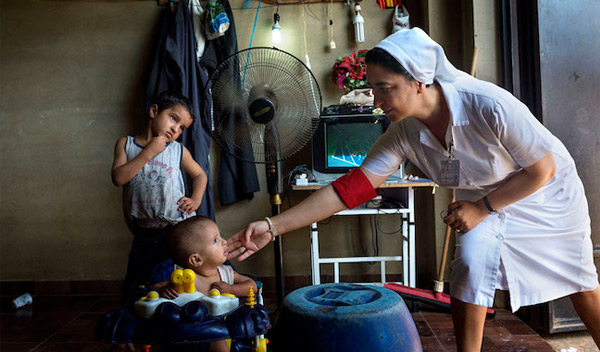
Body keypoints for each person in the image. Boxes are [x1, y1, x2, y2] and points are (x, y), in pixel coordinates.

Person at [226, 28, 600, 351]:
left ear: (419, 80)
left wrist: (483, 207)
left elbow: (542, 169)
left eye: (384, 88)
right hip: (483, 197)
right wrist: (272, 227)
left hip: (545, 192)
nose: (377, 101)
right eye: (372, 89)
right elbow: (350, 189)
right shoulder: (403, 132)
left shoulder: (489, 104)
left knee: (579, 280)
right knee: (469, 265)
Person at [111, 90, 208, 304]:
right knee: (137, 284)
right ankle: (134, 331)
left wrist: (196, 200)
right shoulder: (125, 144)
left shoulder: (177, 150)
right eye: (173, 118)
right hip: (144, 231)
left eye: (182, 127)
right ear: (154, 111)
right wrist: (149, 153)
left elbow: (200, 175)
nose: (175, 129)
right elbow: (119, 178)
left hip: (177, 229)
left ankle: (177, 322)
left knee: (177, 280)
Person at [152, 216, 258, 352]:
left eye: (220, 237)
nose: (224, 242)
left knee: (217, 339)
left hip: (225, 329)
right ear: (196, 259)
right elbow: (154, 288)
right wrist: (165, 289)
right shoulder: (186, 278)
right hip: (189, 333)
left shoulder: (226, 273)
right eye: (215, 240)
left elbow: (252, 286)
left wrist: (232, 289)